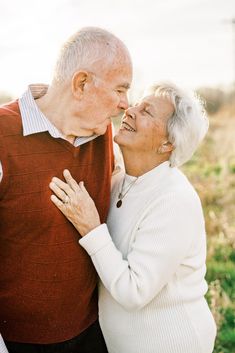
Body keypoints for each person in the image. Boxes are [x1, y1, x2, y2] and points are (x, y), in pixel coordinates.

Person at [50, 82, 217, 353]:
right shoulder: (121, 180)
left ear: (167, 143)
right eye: (136, 104)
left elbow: (134, 291)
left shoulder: (174, 201)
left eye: (147, 111)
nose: (129, 110)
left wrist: (90, 227)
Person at [0, 27, 132, 353]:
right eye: (120, 89)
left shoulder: (104, 136)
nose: (125, 103)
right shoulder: (2, 135)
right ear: (81, 83)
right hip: (20, 342)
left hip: (93, 332)